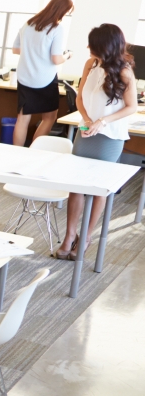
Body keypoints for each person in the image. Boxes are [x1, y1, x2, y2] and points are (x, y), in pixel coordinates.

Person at [55, 23, 137, 262]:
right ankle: (70, 235)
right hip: (87, 131)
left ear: (106, 46)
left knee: (99, 187)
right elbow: (80, 98)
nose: (88, 48)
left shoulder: (124, 72)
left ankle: (87, 236)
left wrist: (103, 121)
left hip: (110, 136)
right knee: (76, 185)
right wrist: (89, 120)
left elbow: (132, 107)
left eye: (93, 45)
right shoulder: (91, 64)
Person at [11, 0, 73, 146]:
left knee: (22, 119)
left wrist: (31, 51)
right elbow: (56, 59)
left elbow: (15, 49)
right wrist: (67, 55)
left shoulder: (28, 24)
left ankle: (16, 153)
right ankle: (34, 152)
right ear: (62, 11)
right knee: (49, 118)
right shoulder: (56, 28)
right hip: (45, 78)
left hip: (25, 77)